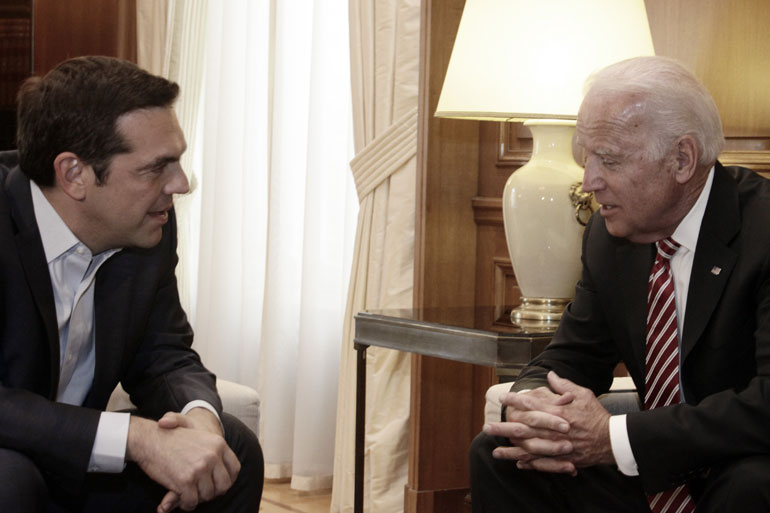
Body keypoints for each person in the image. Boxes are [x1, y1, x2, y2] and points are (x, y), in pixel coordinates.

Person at [470, 56, 770, 512]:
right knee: (502, 455)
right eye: (586, 157)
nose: (589, 182)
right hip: (652, 474)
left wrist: (613, 437)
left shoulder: (763, 230)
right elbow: (572, 356)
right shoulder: (609, 237)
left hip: (739, 463)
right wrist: (533, 403)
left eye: (608, 160)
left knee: (753, 483)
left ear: (682, 159)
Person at [0, 56, 263, 512]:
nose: (181, 184)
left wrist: (201, 423)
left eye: (178, 161)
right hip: (12, 460)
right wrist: (135, 438)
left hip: (75, 469)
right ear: (74, 174)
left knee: (230, 451)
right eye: (156, 167)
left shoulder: (146, 226)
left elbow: (164, 355)